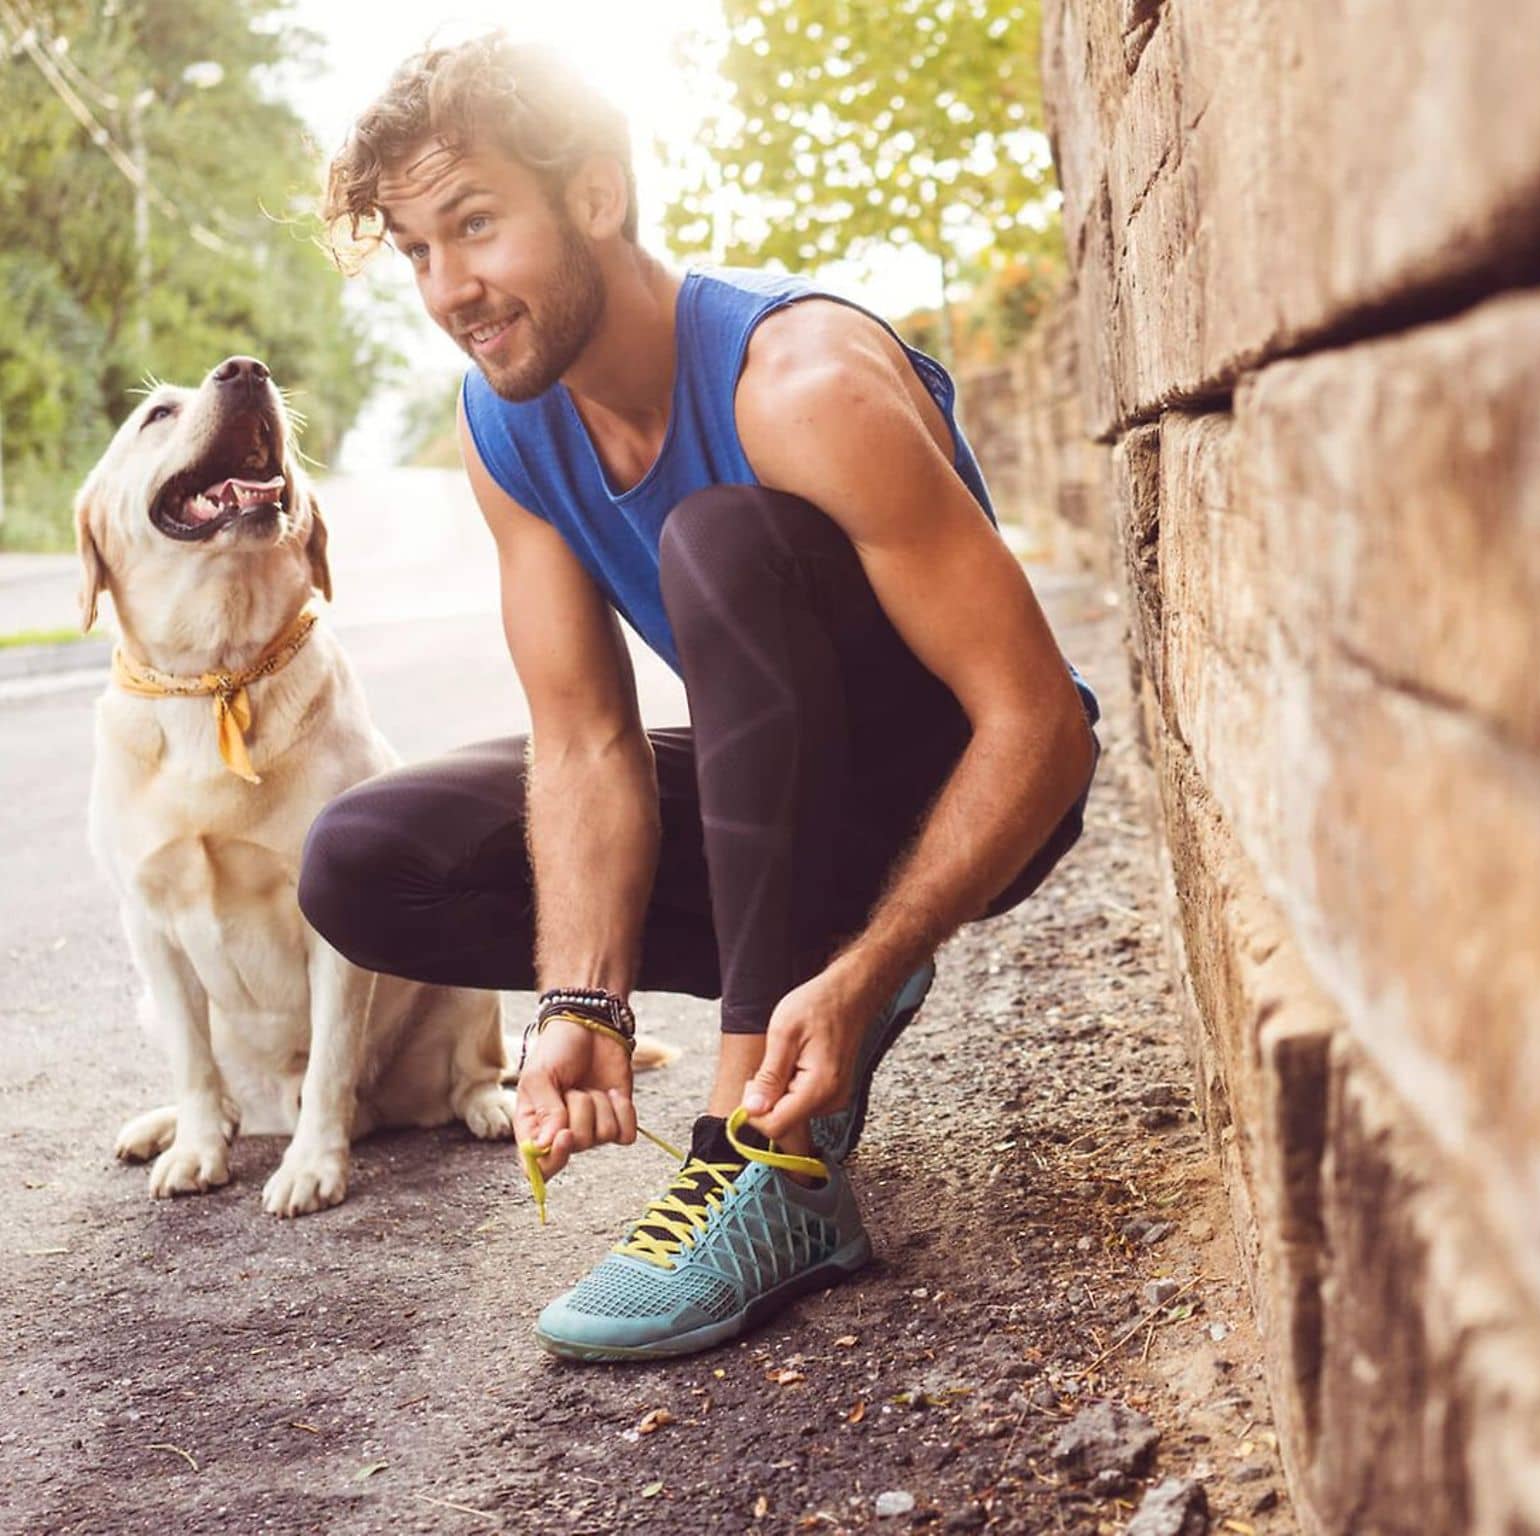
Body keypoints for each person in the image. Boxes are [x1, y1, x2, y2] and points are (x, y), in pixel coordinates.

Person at [298, 33, 1100, 1360]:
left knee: (720, 543)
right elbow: (585, 741)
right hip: (783, 790)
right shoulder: (506, 423)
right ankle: (798, 994)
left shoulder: (802, 382)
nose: (451, 287)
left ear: (596, 196)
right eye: (416, 251)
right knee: (366, 863)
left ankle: (760, 1164)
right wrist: (581, 1003)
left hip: (963, 789)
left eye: (476, 226)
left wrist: (872, 963)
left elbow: (1043, 727)